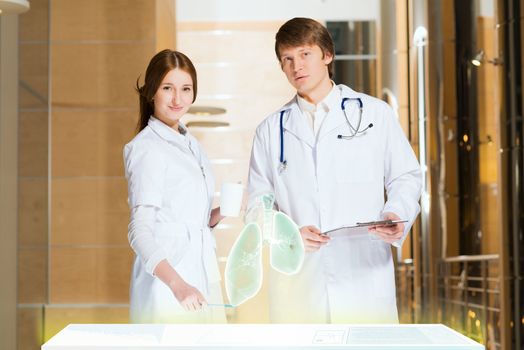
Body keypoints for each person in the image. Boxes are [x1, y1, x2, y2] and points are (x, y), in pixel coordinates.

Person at [247, 18, 422, 323]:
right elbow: (256, 205)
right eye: (287, 59)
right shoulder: (270, 130)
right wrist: (286, 235)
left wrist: (396, 213)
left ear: (327, 55)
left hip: (363, 278)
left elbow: (405, 176)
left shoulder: (374, 114)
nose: (296, 67)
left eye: (305, 54)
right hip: (300, 285)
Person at [123, 49, 226, 323]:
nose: (177, 98)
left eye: (185, 88)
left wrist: (221, 212)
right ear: (152, 91)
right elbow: (140, 230)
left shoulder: (190, 143)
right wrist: (178, 286)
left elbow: (188, 219)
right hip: (169, 285)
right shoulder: (147, 148)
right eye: (168, 88)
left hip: (201, 275)